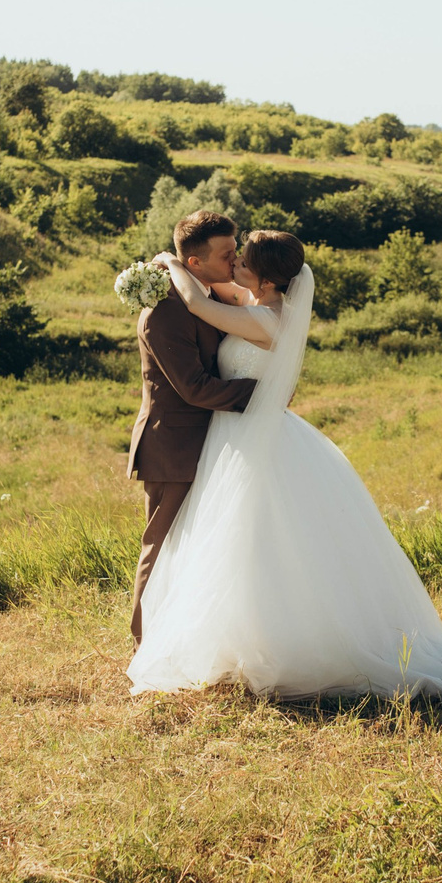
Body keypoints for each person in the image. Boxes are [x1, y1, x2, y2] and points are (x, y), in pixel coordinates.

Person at [125, 225, 442, 704]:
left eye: (242, 260)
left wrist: (170, 261)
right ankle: (229, 641)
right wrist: (177, 268)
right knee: (239, 543)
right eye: (231, 254)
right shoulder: (254, 302)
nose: (235, 261)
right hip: (238, 438)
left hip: (252, 434)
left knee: (256, 541)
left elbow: (199, 302)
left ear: (267, 280)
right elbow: (207, 292)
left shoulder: (265, 319)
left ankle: (275, 646)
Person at [125, 210, 256, 643]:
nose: (235, 260)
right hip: (173, 447)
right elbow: (194, 387)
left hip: (208, 444)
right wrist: (259, 393)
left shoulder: (207, 293)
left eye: (235, 250)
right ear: (195, 262)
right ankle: (145, 647)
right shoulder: (166, 310)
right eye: (226, 254)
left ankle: (184, 642)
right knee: (162, 548)